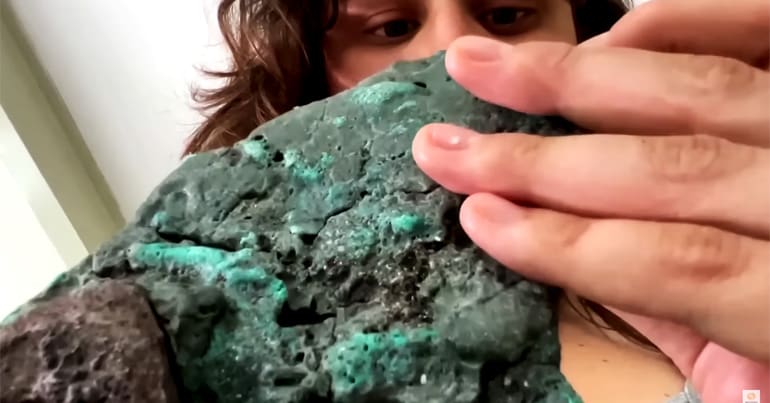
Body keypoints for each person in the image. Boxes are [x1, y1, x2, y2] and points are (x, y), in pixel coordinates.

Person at [186, 0, 770, 402]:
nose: (458, 52)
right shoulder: (225, 317)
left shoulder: (720, 273)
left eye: (507, 15)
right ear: (310, 68)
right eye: (391, 27)